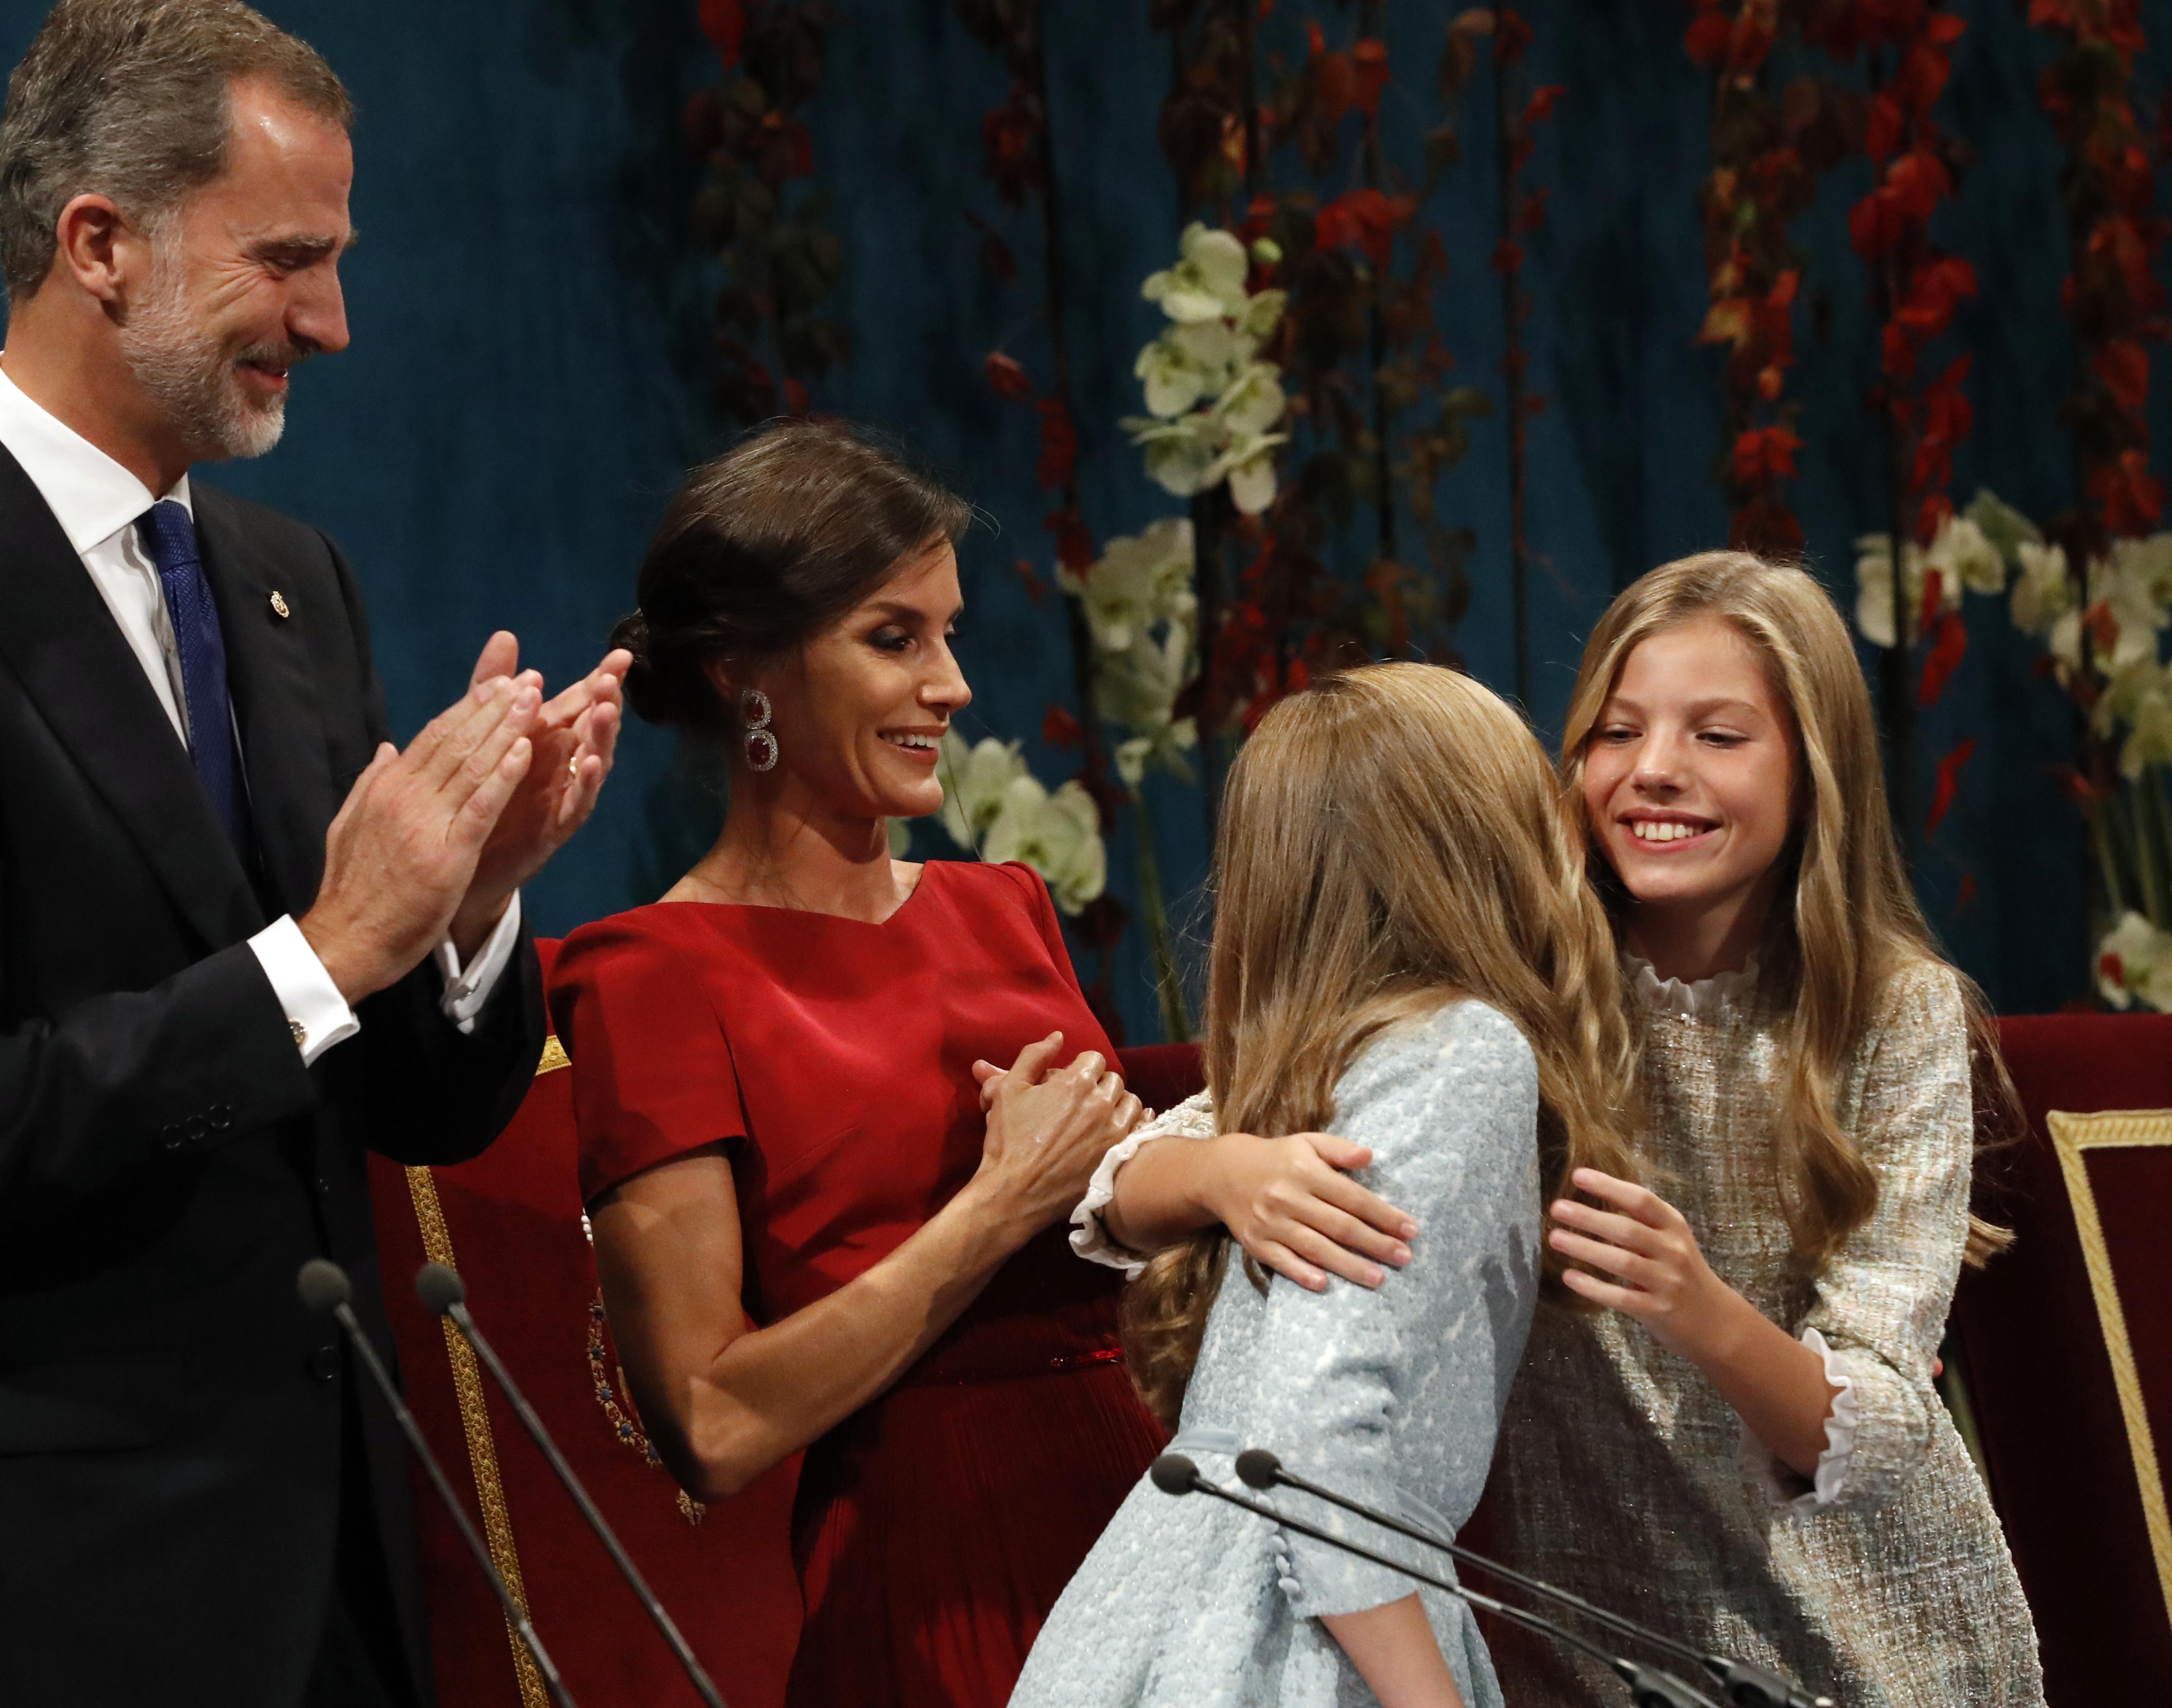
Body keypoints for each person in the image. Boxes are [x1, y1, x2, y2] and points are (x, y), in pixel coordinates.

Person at [0, 0, 626, 1708]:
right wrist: (332, 950)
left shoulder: (293, 583)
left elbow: (414, 1109)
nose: (334, 320)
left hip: (336, 1580)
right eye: (286, 258)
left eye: (335, 260)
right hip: (47, 1601)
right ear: (99, 242)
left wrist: (473, 905)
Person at [1090, 553, 2047, 1708]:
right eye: (1614, 730)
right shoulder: (1511, 987)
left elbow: (1882, 1426)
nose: (1653, 770)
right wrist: (1229, 1169)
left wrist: (1696, 1306)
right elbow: (1129, 1183)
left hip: (1868, 1631)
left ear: (1816, 771)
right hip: (1598, 1628)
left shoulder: (1890, 1011)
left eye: (1717, 735)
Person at [549, 421, 1164, 1708]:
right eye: (895, 639)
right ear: (742, 674)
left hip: (1149, 1514)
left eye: (948, 633)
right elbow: (709, 1425)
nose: (952, 684)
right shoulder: (651, 975)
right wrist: (995, 1208)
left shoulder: (1004, 905)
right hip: (934, 1571)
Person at [1012, 663, 1634, 1708]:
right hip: (1296, 1636)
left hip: (1158, 1605)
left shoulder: (1322, 1062)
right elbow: (1314, 1451)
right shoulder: (1461, 1052)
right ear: (1481, 844)